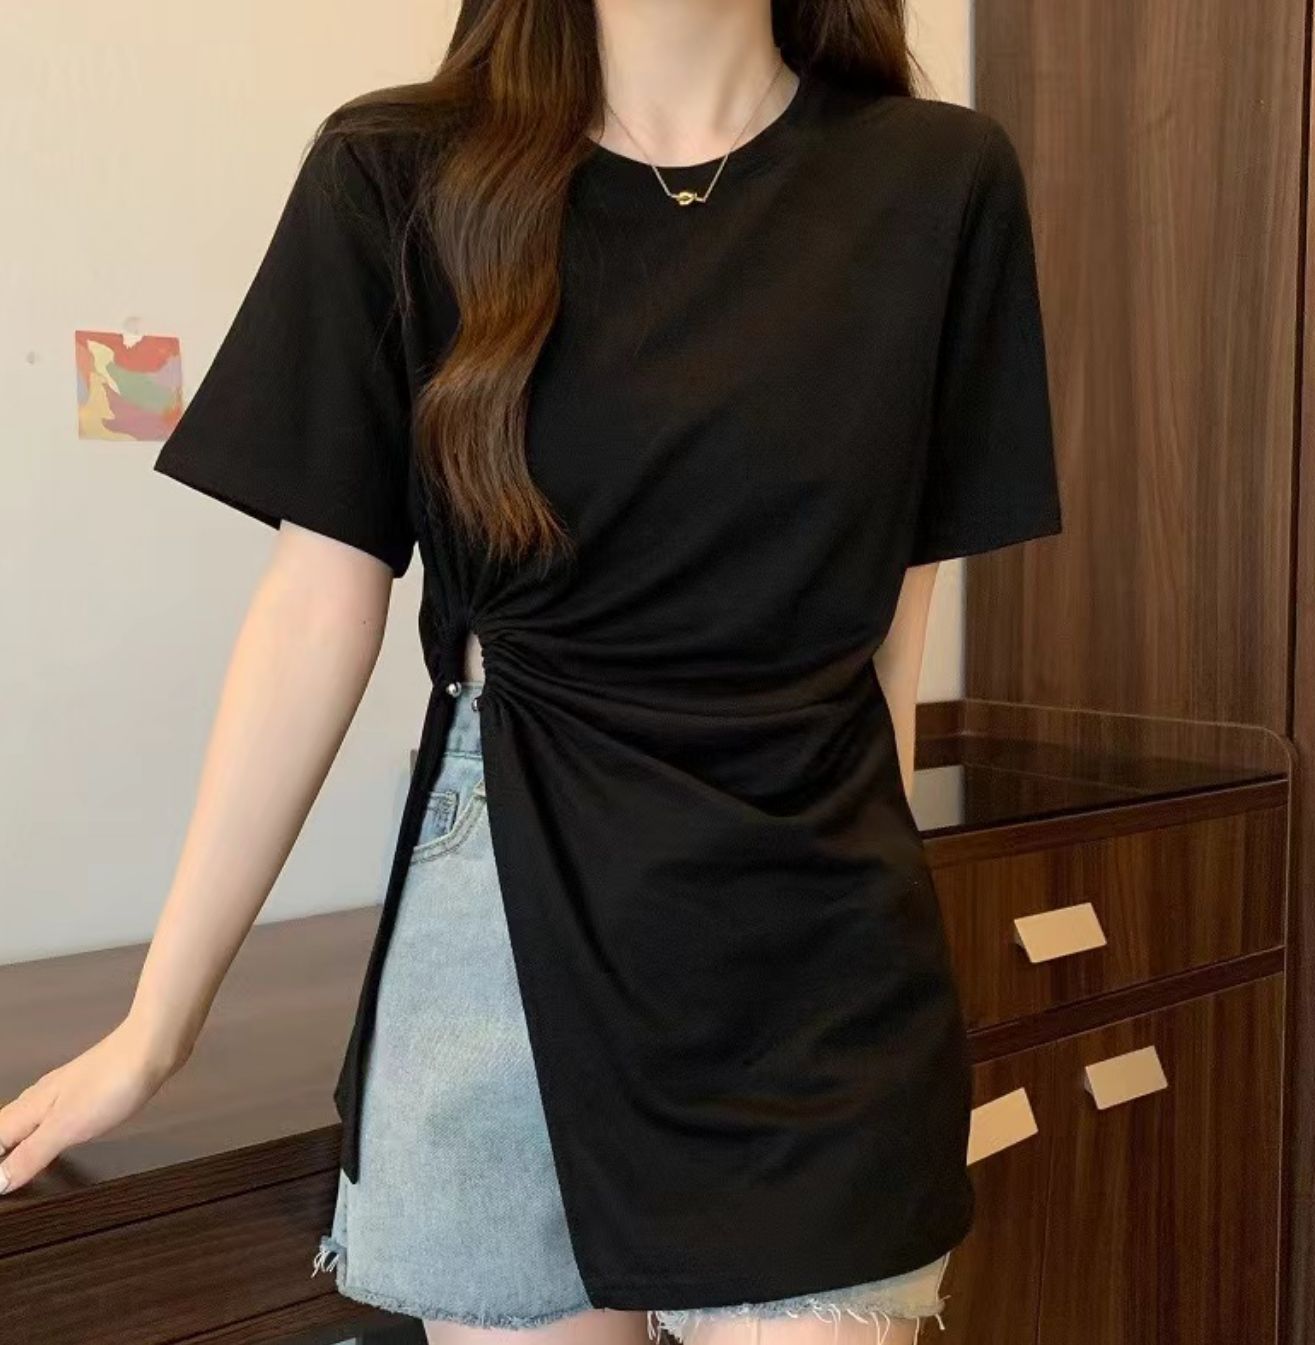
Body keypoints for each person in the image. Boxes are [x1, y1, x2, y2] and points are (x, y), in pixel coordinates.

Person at [0, 0, 1063, 1340]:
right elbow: (318, 607)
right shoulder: (397, 173)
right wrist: (158, 1025)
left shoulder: (937, 183)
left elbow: (883, 650)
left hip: (811, 951)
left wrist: (878, 950)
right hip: (498, 912)